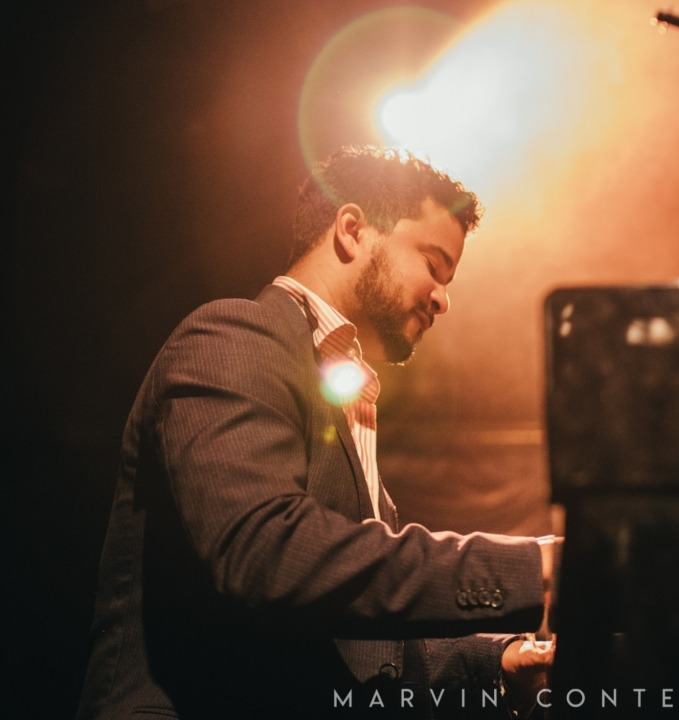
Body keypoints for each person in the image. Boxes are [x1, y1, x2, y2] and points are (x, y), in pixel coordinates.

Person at [77, 146, 557, 719]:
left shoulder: (339, 389)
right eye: (433, 263)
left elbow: (364, 640)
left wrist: (499, 659)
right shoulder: (231, 337)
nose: (442, 298)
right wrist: (537, 568)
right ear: (352, 230)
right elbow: (265, 552)